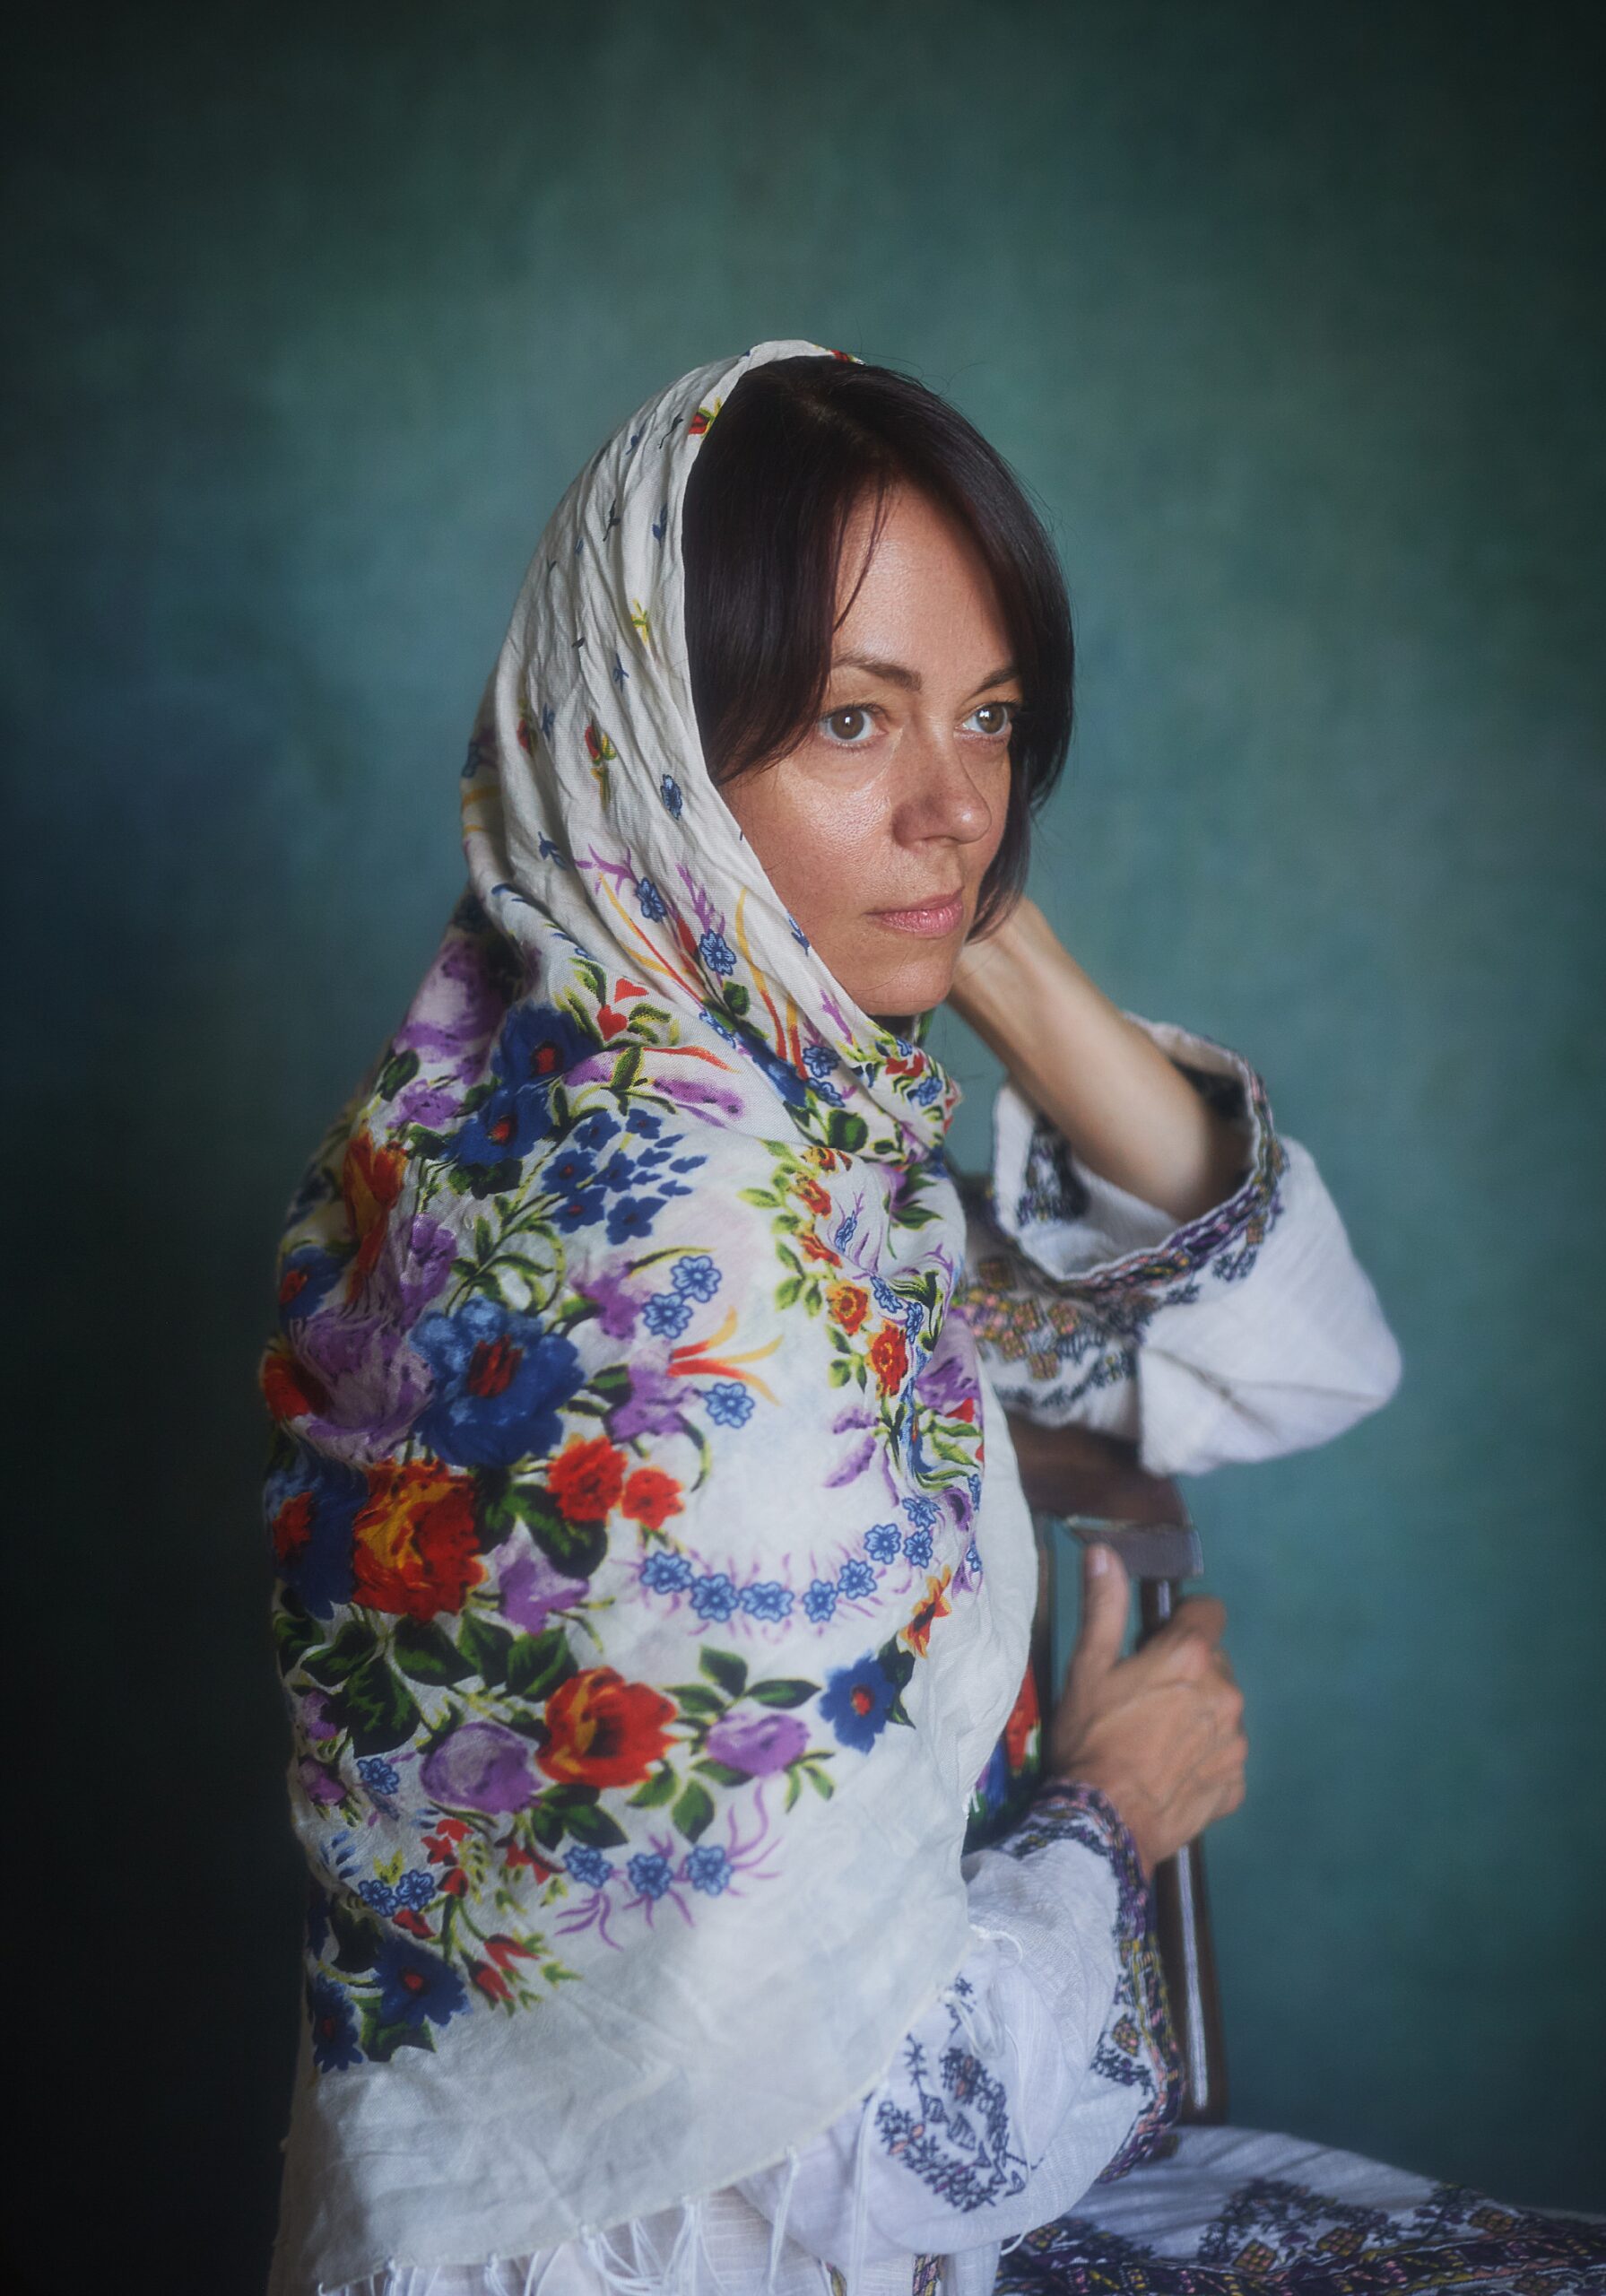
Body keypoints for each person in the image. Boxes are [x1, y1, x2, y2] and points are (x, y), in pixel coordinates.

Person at [258, 341, 1603, 2296]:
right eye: (841, 720)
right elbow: (903, 2141)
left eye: (985, 718)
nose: (953, 808)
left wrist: (1005, 965)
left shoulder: (578, 1144)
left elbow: (1303, 1357)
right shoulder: (702, 1266)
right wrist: (1111, 1803)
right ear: (650, 748)